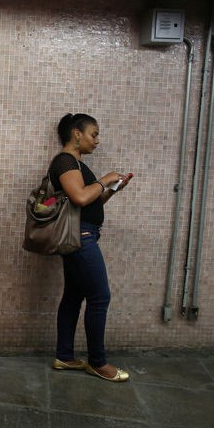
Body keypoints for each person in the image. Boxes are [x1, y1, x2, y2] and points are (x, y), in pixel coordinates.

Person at [49, 113, 131, 382]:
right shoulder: (65, 161)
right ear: (76, 133)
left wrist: (112, 189)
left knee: (73, 296)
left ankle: (65, 356)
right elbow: (80, 197)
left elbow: (91, 203)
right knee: (100, 297)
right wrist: (105, 179)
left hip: (82, 233)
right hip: (80, 237)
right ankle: (98, 362)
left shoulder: (77, 164)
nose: (97, 140)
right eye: (93, 134)